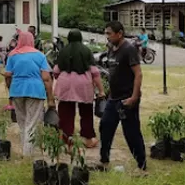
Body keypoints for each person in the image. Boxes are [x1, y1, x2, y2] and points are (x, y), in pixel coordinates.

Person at [99, 21, 147, 174]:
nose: (107, 36)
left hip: (127, 99)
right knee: (105, 126)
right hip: (113, 98)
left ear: (119, 33)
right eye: (106, 33)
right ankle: (104, 162)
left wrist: (134, 97)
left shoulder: (129, 49)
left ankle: (142, 166)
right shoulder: (111, 49)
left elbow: (138, 74)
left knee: (131, 133)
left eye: (109, 33)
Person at [0, 31, 55, 157]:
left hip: (17, 91)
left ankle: (25, 150)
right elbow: (46, 78)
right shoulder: (40, 56)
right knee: (32, 123)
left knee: (22, 122)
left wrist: (10, 90)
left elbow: (8, 76)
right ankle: (27, 154)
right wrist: (51, 98)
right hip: (35, 91)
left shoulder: (12, 55)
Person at [53, 30, 106, 148]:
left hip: (65, 84)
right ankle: (87, 138)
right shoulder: (86, 51)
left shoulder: (63, 51)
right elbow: (95, 72)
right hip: (84, 84)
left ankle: (66, 139)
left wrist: (59, 77)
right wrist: (101, 90)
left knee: (65, 111)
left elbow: (56, 71)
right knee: (86, 111)